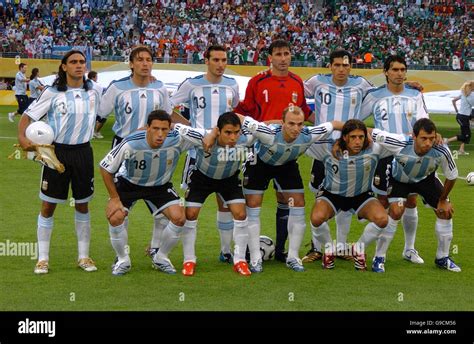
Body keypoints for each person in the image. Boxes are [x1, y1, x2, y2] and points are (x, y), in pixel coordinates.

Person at [17, 50, 102, 274]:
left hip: (84, 153)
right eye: (73, 62)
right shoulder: (52, 93)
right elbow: (27, 117)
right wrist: (23, 139)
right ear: (64, 67)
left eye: (82, 62)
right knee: (48, 205)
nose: (79, 65)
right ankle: (42, 259)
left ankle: (84, 257)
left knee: (83, 204)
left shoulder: (94, 91)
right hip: (56, 153)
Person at [234, 39, 312, 263]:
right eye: (278, 54)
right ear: (270, 57)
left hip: (287, 152)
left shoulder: (297, 82)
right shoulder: (257, 81)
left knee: (286, 198)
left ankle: (280, 250)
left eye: (287, 53)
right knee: (253, 202)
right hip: (260, 149)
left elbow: (305, 112)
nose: (283, 58)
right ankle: (251, 253)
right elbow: (245, 110)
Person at [242, 105, 342, 273]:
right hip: (259, 164)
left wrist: (353, 135)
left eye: (300, 124)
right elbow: (239, 117)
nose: (296, 128)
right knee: (253, 206)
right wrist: (215, 132)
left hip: (286, 165)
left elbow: (335, 123)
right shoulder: (268, 133)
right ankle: (255, 258)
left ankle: (293, 258)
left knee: (298, 204)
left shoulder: (308, 134)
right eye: (291, 124)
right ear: (282, 123)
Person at [175, 112, 273, 276]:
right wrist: (210, 134)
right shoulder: (201, 137)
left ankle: (240, 260)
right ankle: (189, 260)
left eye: (236, 132)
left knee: (241, 214)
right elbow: (175, 127)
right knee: (190, 214)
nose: (233, 137)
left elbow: (269, 132)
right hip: (201, 178)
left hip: (229, 179)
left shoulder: (247, 139)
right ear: (218, 131)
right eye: (228, 132)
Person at [98, 45, 172, 261]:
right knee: (122, 202)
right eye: (139, 60)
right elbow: (100, 115)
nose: (145, 63)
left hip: (154, 148)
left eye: (148, 59)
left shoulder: (160, 88)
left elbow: (169, 117)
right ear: (131, 64)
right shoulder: (117, 87)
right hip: (124, 147)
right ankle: (122, 254)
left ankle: (156, 248)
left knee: (157, 197)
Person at [99, 110, 192, 275]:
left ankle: (161, 257)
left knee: (179, 218)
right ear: (147, 127)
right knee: (115, 217)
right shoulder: (131, 143)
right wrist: (114, 198)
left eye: (164, 129)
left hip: (160, 186)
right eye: (156, 128)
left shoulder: (177, 140)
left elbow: (203, 137)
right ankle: (122, 260)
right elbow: (105, 168)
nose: (160, 134)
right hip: (129, 184)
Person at [170, 45, 240, 265]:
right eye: (216, 59)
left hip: (227, 153)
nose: (220, 64)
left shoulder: (232, 84)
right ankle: (186, 257)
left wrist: (220, 132)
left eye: (224, 60)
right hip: (199, 152)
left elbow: (233, 114)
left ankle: (226, 251)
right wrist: (189, 126)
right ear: (206, 61)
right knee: (190, 209)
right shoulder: (192, 84)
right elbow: (168, 107)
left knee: (225, 203)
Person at [302, 49, 374, 262]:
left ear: (350, 66)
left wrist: (409, 86)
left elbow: (383, 92)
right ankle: (317, 248)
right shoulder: (317, 82)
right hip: (322, 148)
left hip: (350, 150)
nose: (341, 69)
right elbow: (295, 94)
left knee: (347, 195)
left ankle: (341, 246)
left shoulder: (361, 84)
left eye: (345, 65)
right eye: (337, 65)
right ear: (330, 66)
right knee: (318, 193)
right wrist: (313, 118)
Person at [358, 55, 429, 266]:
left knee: (411, 201)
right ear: (386, 72)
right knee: (383, 203)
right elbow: (356, 119)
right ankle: (372, 252)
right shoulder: (374, 95)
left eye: (402, 69)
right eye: (395, 69)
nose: (399, 73)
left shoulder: (415, 94)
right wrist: (370, 133)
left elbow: (424, 121)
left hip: (410, 156)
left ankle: (409, 249)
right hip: (385, 155)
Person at [308, 119, 407, 270]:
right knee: (316, 218)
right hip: (331, 194)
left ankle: (358, 249)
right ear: (344, 137)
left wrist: (419, 136)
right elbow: (303, 139)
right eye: (353, 137)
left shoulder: (376, 149)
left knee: (382, 219)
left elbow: (402, 141)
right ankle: (329, 250)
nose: (358, 141)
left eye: (361, 137)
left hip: (361, 195)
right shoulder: (327, 147)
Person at [371, 118, 460, 273]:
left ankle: (442, 258)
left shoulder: (441, 150)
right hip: (399, 180)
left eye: (431, 139)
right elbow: (370, 132)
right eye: (423, 138)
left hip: (426, 179)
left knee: (445, 212)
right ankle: (379, 257)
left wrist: (443, 199)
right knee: (396, 211)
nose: (428, 143)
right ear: (414, 136)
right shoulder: (399, 142)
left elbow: (452, 176)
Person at [444, 80, 474, 155]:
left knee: (465, 133)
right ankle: (446, 141)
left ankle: (461, 150)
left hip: (462, 116)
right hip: (464, 117)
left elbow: (453, 101)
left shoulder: (463, 92)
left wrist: (457, 110)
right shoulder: (471, 95)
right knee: (466, 135)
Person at [87, 71, 105, 139]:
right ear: (93, 77)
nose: (97, 78)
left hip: (85, 104)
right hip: (94, 105)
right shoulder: (97, 85)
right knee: (101, 118)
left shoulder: (83, 83)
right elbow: (99, 95)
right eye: (96, 77)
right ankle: (95, 133)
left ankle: (91, 133)